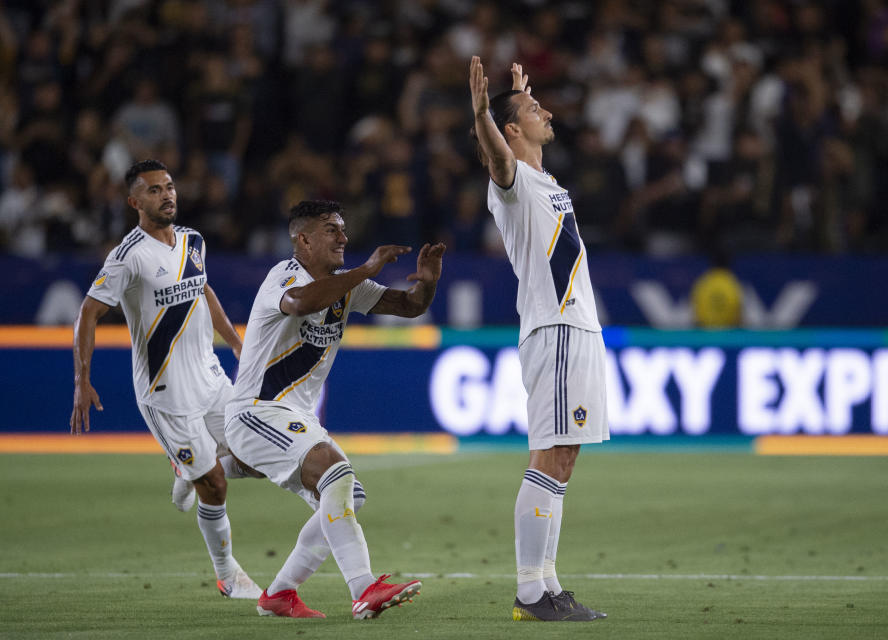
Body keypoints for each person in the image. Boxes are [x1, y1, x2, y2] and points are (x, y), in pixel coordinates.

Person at [223, 199, 446, 619]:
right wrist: (365, 270)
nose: (343, 237)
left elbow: (410, 306)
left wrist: (429, 282)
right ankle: (364, 588)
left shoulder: (347, 285)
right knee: (335, 472)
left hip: (293, 417)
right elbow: (301, 303)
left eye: (343, 229)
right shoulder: (284, 276)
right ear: (303, 239)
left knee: (348, 496)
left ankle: (280, 592)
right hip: (256, 410)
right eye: (332, 229)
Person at [70, 159, 262, 599]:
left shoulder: (194, 241)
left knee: (257, 456)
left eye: (170, 186)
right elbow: (87, 313)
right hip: (167, 392)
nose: (167, 195)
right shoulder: (127, 257)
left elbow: (203, 290)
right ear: (135, 202)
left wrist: (235, 343)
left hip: (211, 380)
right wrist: (83, 380)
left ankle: (186, 466)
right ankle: (228, 575)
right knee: (214, 484)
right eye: (155, 190)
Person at [469, 57, 610, 622]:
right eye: (534, 110)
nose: (547, 112)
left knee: (563, 456)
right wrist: (484, 112)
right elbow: (498, 156)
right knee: (551, 455)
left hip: (575, 328)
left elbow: (510, 141)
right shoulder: (511, 180)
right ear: (510, 130)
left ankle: (548, 586)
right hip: (553, 328)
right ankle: (530, 593)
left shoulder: (546, 183)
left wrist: (516, 101)